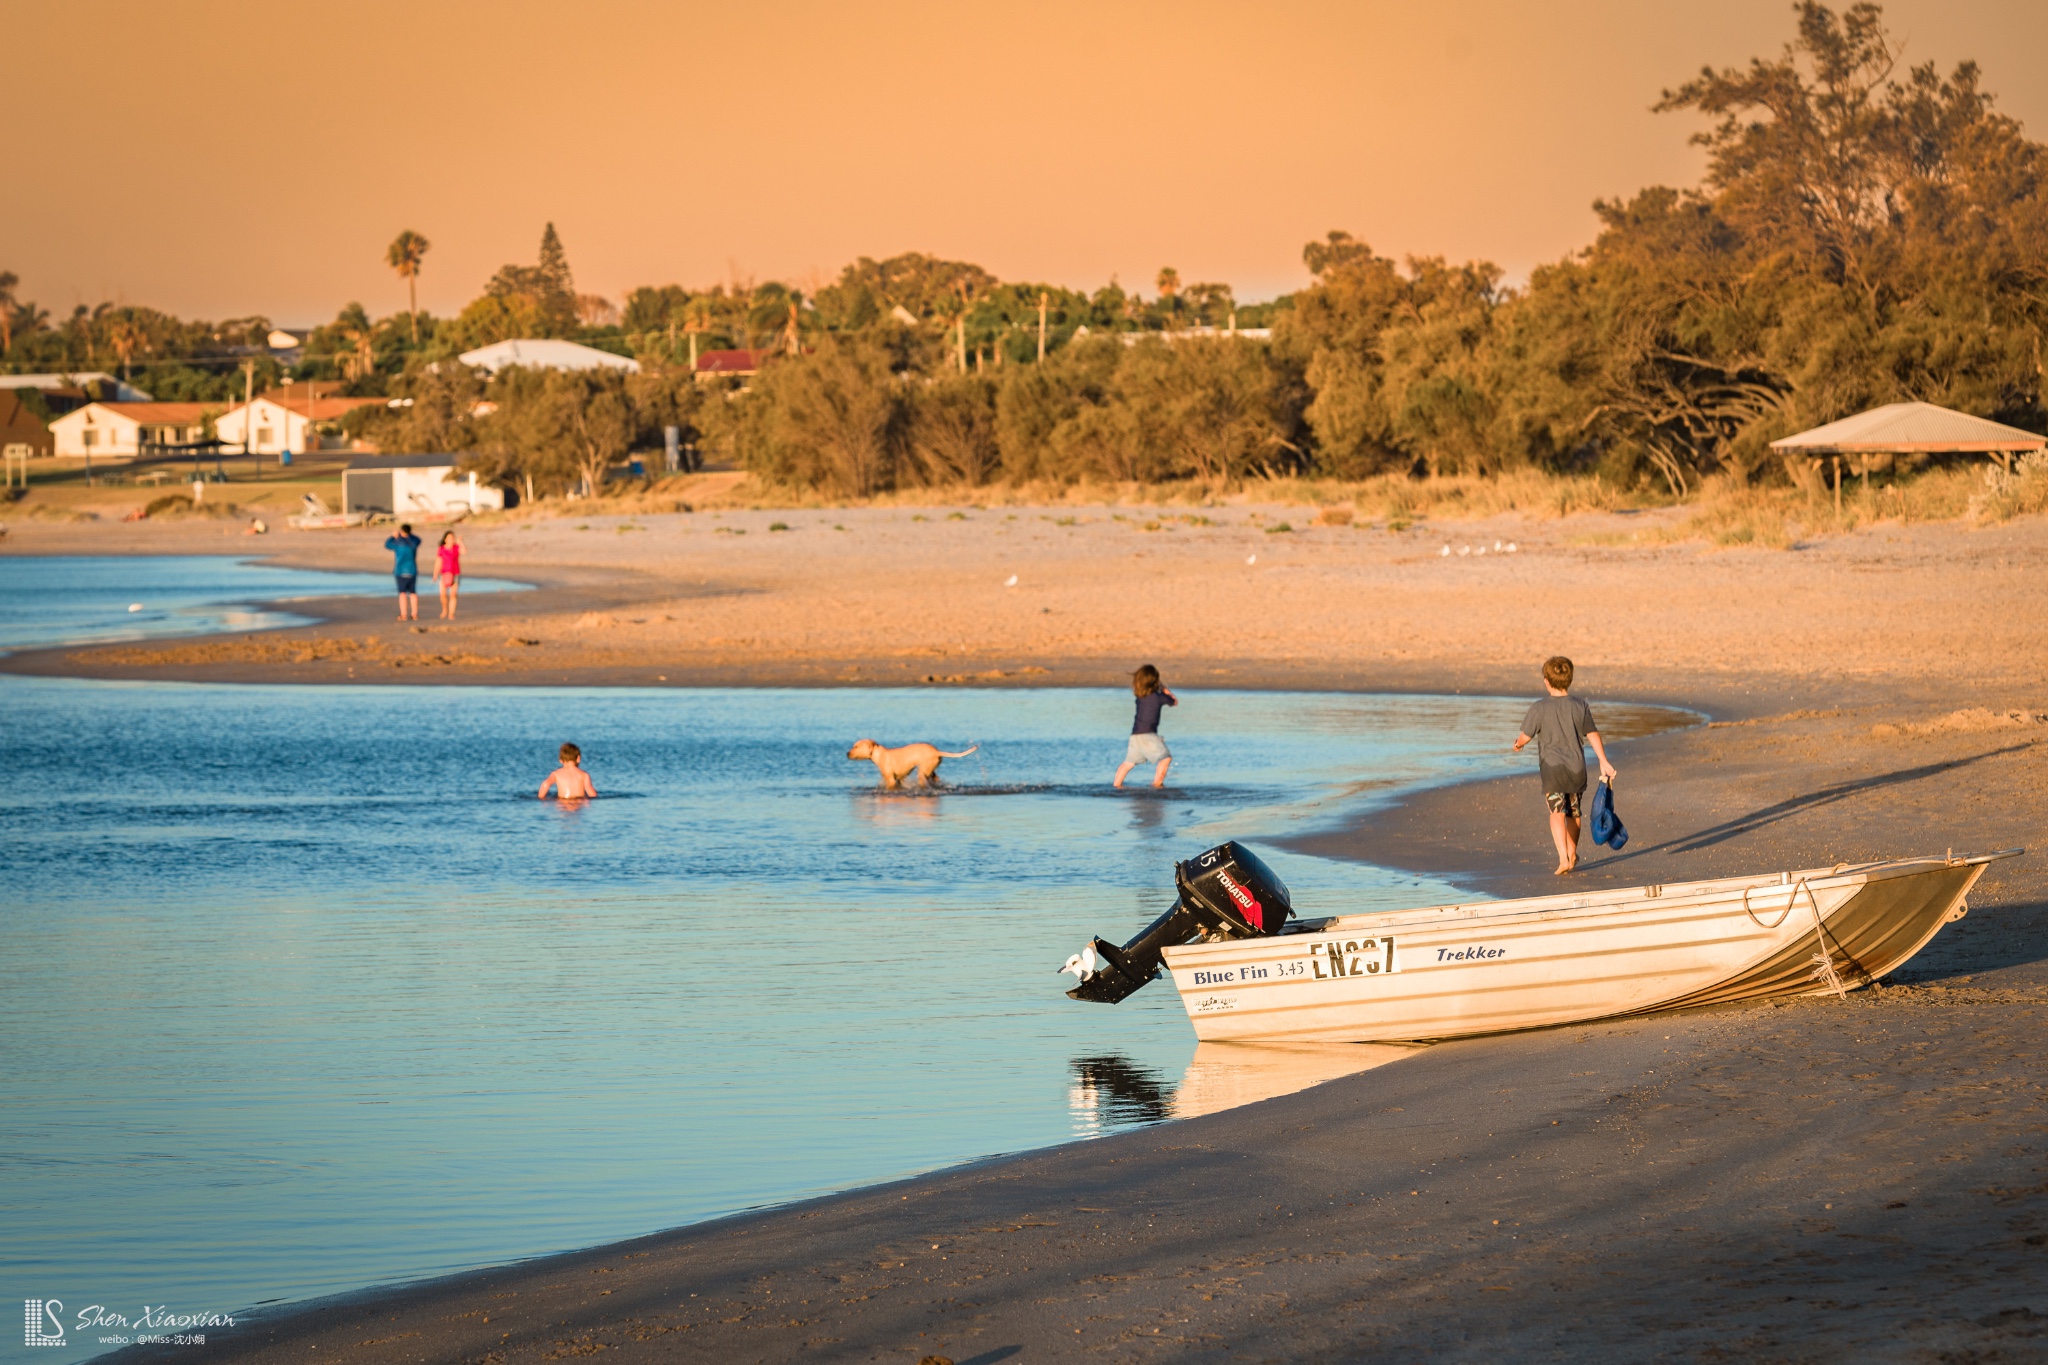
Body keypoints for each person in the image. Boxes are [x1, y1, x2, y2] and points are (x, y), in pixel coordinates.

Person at [1511, 656, 1617, 875]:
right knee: (1574, 813)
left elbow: (1526, 736)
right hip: (1576, 768)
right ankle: (1572, 852)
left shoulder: (1539, 708)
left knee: (1556, 812)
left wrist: (1518, 744)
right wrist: (1603, 761)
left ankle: (1563, 858)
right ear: (1569, 680)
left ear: (1546, 681)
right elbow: (1592, 734)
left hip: (1552, 769)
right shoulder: (1580, 706)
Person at [1113, 664, 1177, 789]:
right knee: (1166, 759)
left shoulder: (1140, 697)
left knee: (1129, 763)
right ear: (1155, 681)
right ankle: (1157, 785)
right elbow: (1174, 701)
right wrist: (1163, 688)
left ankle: (1116, 786)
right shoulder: (1158, 697)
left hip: (1135, 735)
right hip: (1148, 735)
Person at [384, 523, 422, 622]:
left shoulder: (398, 543)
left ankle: (404, 614)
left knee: (402, 593)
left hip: (400, 570)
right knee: (413, 592)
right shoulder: (413, 542)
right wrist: (409, 534)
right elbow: (418, 540)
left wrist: (393, 536)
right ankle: (414, 614)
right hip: (412, 570)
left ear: (402, 531)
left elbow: (387, 544)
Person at [435, 530, 463, 620]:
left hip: (455, 573)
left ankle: (451, 613)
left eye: (453, 538)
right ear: (445, 539)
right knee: (443, 595)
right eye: (449, 538)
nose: (451, 539)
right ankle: (444, 610)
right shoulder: (441, 549)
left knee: (453, 595)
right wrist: (435, 573)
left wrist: (460, 542)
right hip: (444, 574)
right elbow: (438, 561)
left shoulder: (456, 547)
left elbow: (464, 551)